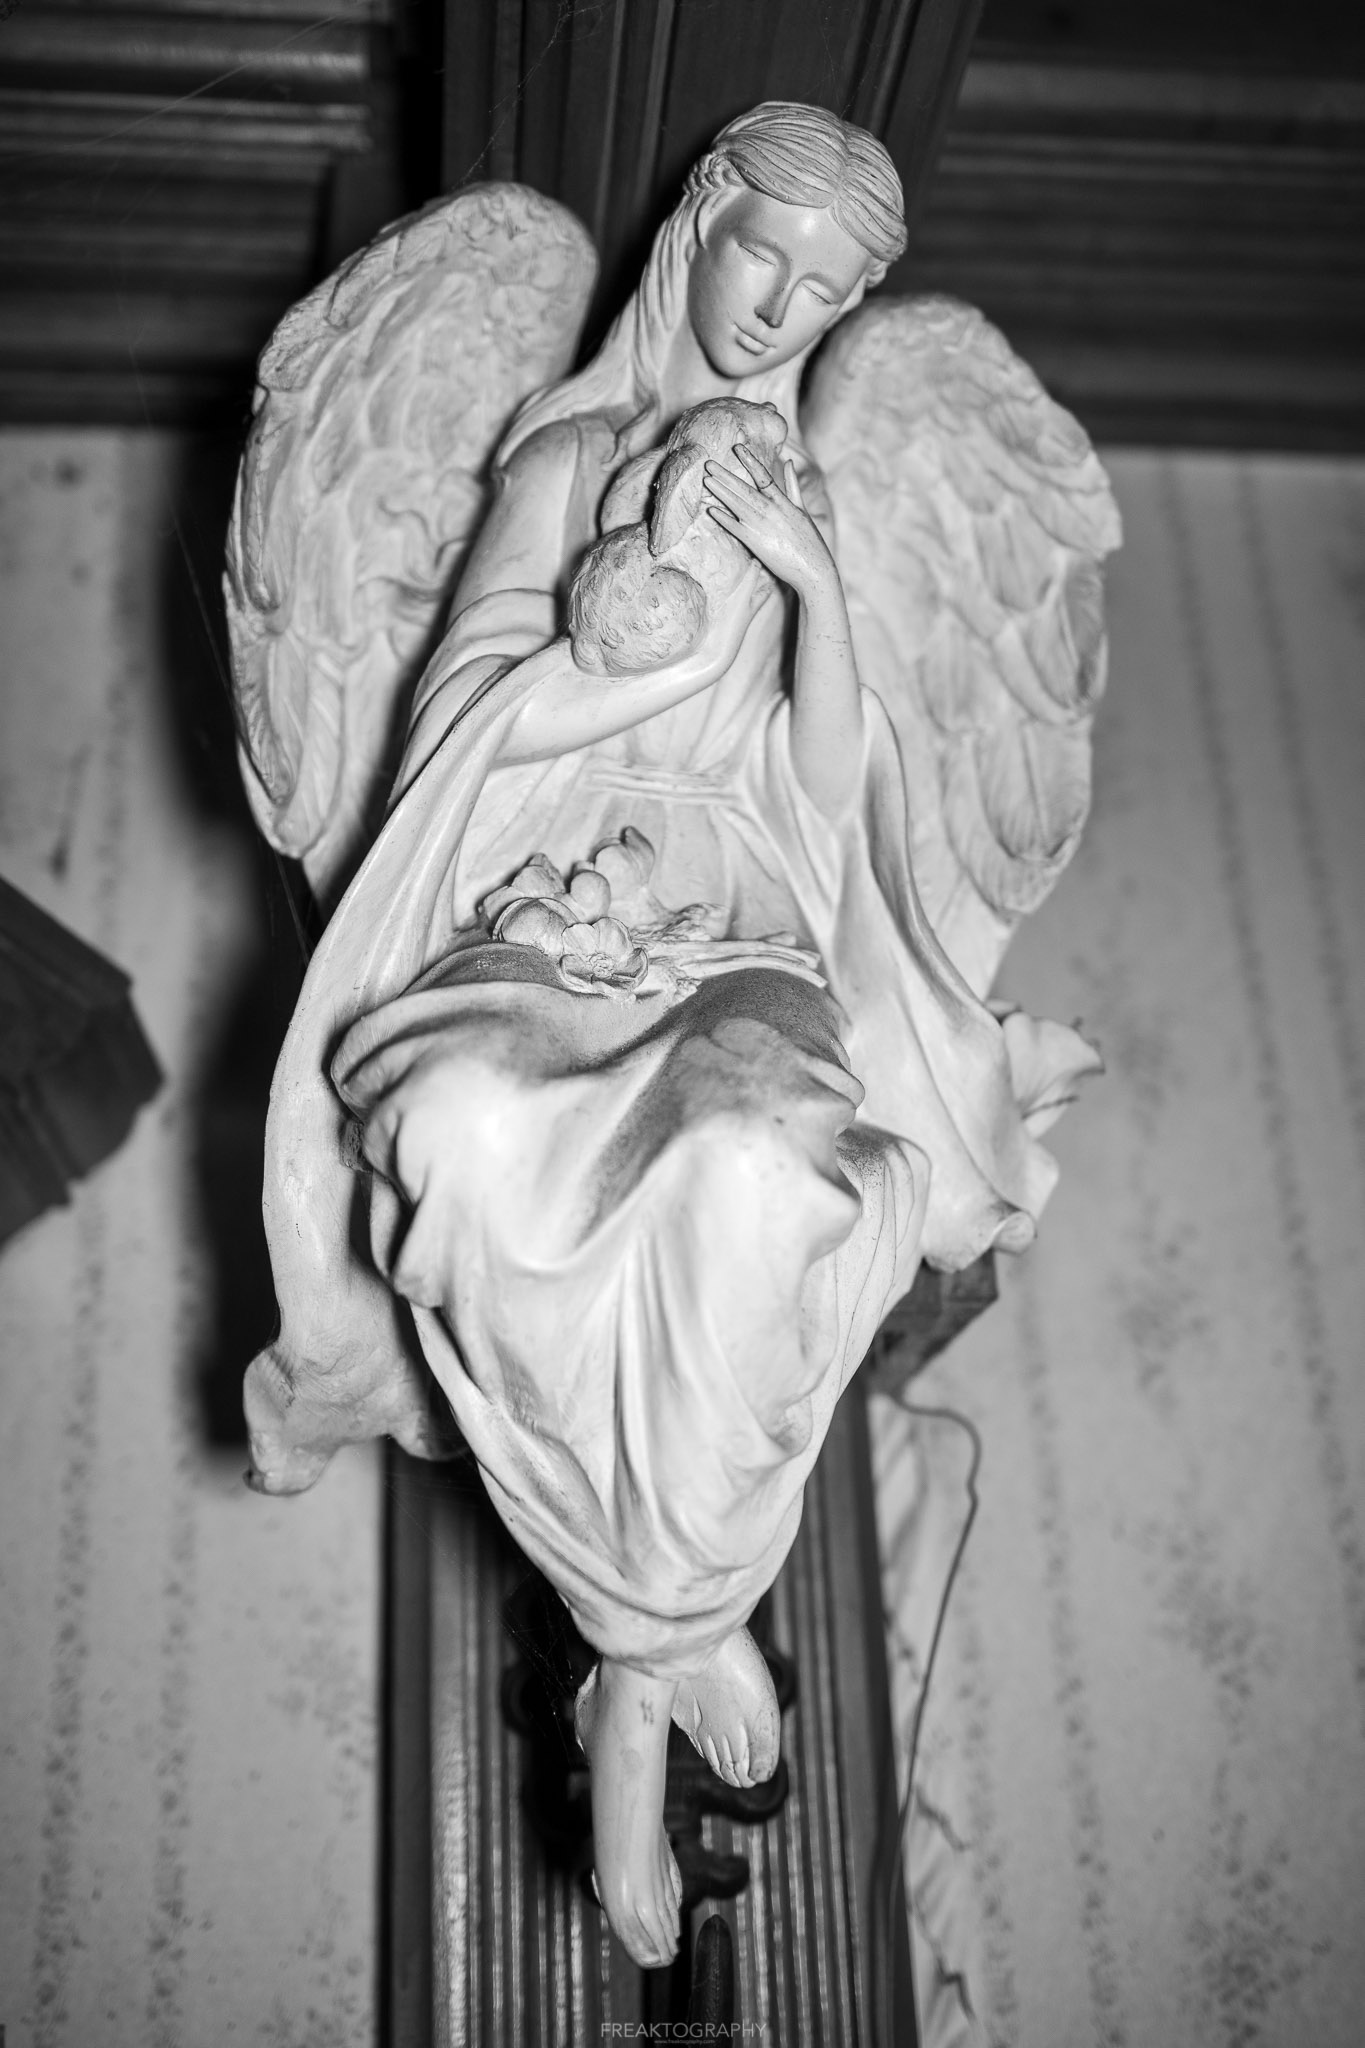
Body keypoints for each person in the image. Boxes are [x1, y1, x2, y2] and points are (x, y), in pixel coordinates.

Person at [247, 102, 1095, 1968]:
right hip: (546, 910)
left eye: (820, 292)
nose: (773, 308)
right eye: (759, 257)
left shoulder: (798, 501)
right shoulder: (571, 460)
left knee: (759, 1164)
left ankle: (641, 1664)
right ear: (698, 226)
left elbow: (824, 790)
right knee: (455, 1132)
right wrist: (599, 658)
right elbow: (450, 727)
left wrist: (807, 584)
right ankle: (661, 1629)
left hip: (733, 927)